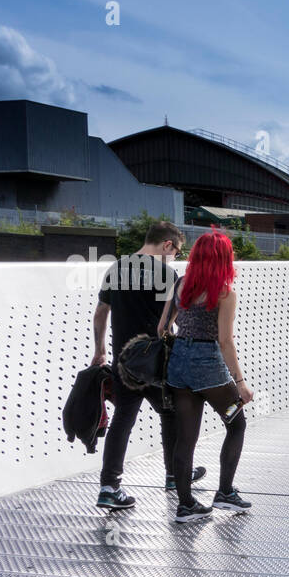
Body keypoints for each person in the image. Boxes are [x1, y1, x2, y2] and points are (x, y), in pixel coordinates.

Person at [90, 221, 204, 510]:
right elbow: (174, 320)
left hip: (124, 361)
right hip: (157, 362)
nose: (176, 257)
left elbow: (101, 312)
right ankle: (174, 475)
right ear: (167, 245)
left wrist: (100, 350)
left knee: (123, 421)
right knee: (171, 413)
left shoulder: (116, 268)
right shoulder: (167, 274)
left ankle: (109, 486)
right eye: (176, 252)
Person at [158, 228, 254, 523]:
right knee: (236, 423)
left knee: (185, 438)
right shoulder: (225, 293)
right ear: (224, 259)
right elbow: (225, 341)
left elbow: (163, 328)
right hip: (209, 371)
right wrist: (240, 384)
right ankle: (225, 492)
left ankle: (186, 505)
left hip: (180, 369)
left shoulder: (182, 285)